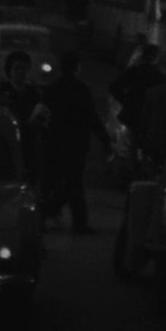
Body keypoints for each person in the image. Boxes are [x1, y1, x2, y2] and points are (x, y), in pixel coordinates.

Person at [38, 51, 110, 234]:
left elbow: (44, 116)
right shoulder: (82, 89)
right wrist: (106, 140)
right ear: (77, 67)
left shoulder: (53, 88)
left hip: (55, 141)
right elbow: (92, 117)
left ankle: (44, 214)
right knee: (73, 182)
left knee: (53, 180)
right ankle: (75, 221)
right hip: (76, 144)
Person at [0, 50, 46, 184]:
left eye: (24, 68)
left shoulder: (33, 94)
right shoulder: (2, 91)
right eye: (17, 68)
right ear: (10, 70)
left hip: (28, 142)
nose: (21, 72)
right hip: (8, 141)